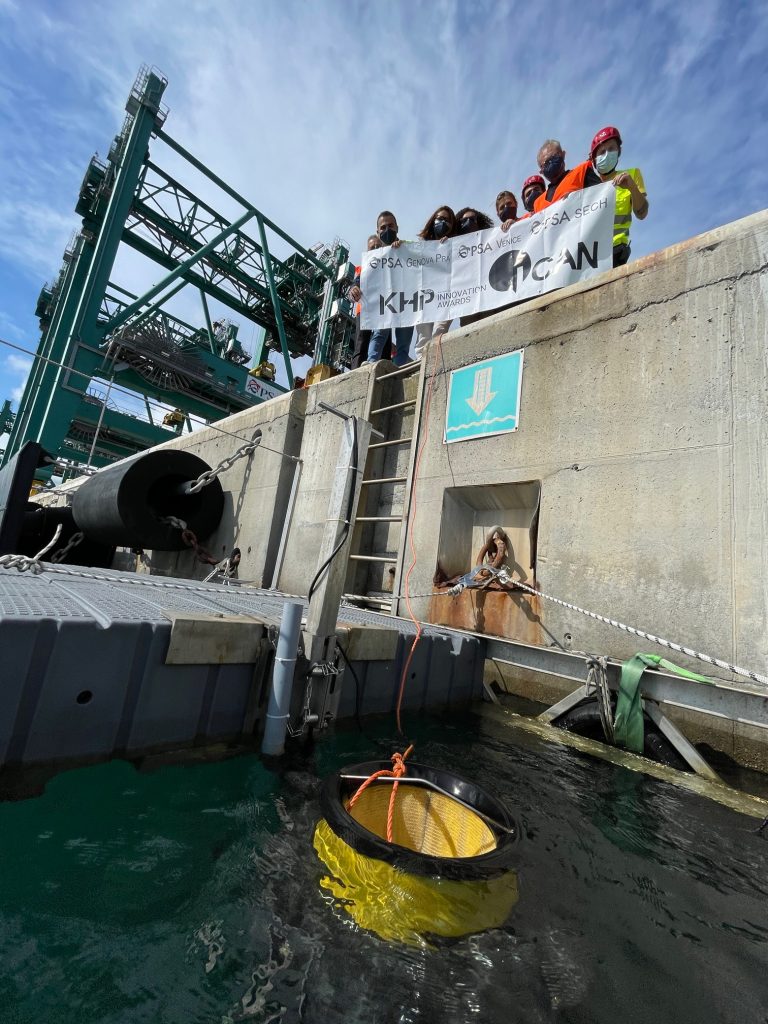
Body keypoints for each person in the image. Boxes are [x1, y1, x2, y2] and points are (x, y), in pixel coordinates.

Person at [349, 211, 414, 367]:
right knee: (378, 334)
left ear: (397, 227)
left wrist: (404, 246)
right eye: (383, 227)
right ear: (378, 231)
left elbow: (424, 257)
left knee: (403, 339)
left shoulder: (407, 246)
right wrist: (353, 290)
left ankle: (397, 368)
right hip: (382, 303)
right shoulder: (373, 260)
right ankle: (370, 364)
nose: (387, 230)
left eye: (390, 226)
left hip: (408, 301)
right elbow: (357, 281)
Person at [588, 126, 649, 267]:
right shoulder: (587, 188)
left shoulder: (632, 175)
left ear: (619, 151)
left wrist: (632, 187)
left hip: (616, 253)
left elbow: (642, 213)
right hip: (589, 257)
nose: (606, 154)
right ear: (594, 159)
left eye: (611, 149)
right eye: (602, 152)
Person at [414, 205, 457, 358]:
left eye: (447, 220)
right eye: (440, 219)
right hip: (424, 297)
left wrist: (450, 246)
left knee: (439, 333)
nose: (443, 222)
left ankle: (434, 366)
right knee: (423, 338)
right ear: (433, 221)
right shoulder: (419, 246)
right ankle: (420, 368)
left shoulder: (458, 244)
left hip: (447, 295)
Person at [349, 235, 392, 368]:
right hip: (365, 310)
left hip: (385, 307)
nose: (375, 249)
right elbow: (354, 286)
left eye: (378, 246)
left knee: (385, 344)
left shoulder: (390, 265)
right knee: (361, 344)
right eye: (372, 247)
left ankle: (383, 371)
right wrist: (353, 290)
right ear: (367, 251)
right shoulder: (364, 268)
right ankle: (356, 374)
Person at [532, 139, 600, 213]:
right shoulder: (538, 204)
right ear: (541, 171)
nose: (551, 163)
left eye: (554, 156)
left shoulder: (582, 172)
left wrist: (578, 198)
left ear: (563, 155)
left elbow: (602, 197)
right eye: (546, 163)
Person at [455, 207, 494, 327]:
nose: (468, 222)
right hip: (467, 302)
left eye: (472, 219)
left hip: (490, 298)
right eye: (464, 220)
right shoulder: (454, 245)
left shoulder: (492, 239)